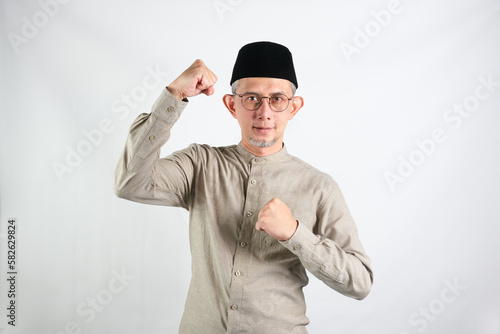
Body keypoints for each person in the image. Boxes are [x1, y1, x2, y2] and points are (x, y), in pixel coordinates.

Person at [114, 41, 373, 334]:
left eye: (277, 99)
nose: (264, 112)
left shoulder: (319, 187)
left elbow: (360, 283)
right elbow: (130, 184)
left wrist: (295, 233)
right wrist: (174, 95)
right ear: (231, 104)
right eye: (251, 98)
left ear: (294, 107)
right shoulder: (201, 164)